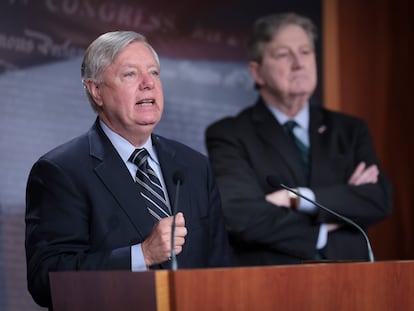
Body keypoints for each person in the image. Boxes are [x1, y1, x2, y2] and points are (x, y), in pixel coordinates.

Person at [25, 31, 231, 308]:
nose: (148, 84)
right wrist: (142, 255)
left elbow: (220, 269)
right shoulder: (60, 172)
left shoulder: (194, 166)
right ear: (96, 90)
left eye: (154, 73)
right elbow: (46, 280)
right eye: (130, 74)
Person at [205, 13, 392, 266]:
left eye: (305, 52)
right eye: (284, 54)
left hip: (352, 283)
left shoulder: (349, 129)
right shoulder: (230, 134)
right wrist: (325, 228)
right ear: (257, 72)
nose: (298, 63)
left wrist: (297, 198)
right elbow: (241, 214)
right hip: (273, 283)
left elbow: (377, 199)